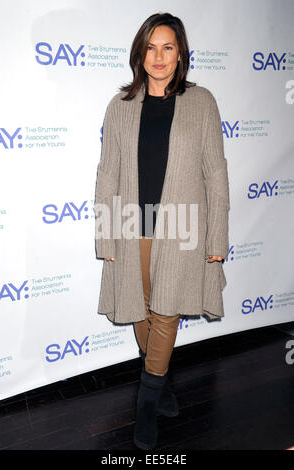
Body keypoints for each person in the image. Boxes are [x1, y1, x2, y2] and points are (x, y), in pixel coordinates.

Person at [94, 12, 230, 450]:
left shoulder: (202, 102)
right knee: (141, 311)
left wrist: (217, 236)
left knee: (166, 314)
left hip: (183, 231)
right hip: (133, 228)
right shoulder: (121, 106)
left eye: (167, 47)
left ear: (181, 54)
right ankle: (163, 383)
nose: (158, 56)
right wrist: (106, 234)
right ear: (140, 52)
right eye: (151, 47)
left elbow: (216, 173)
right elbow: (107, 174)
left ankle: (146, 403)